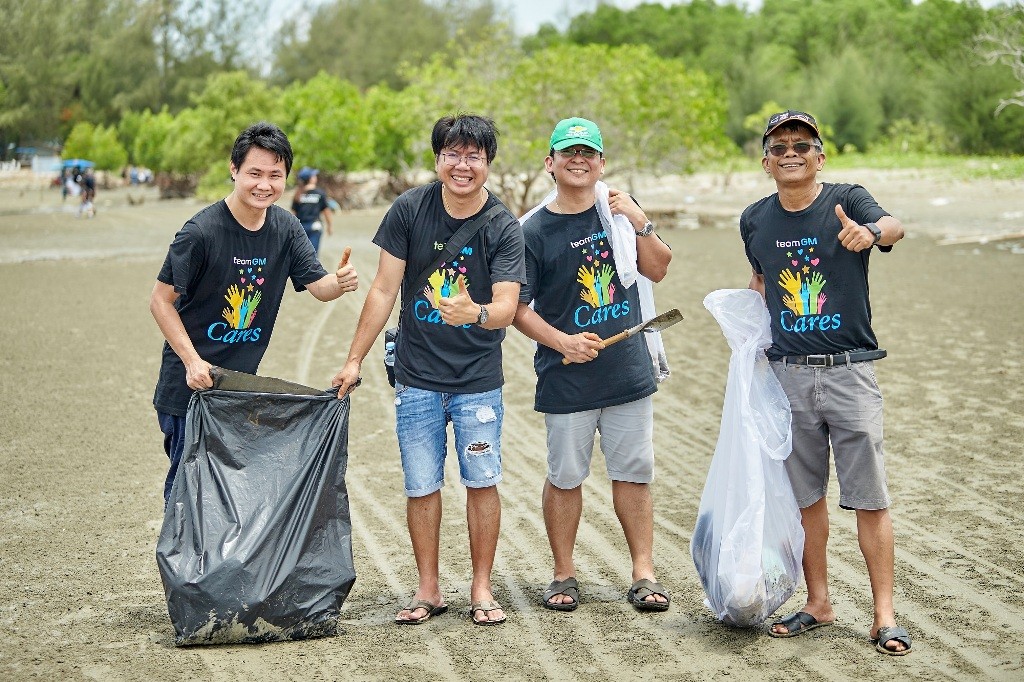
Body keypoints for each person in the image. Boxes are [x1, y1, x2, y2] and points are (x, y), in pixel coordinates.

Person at [331, 114, 524, 627]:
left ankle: (481, 588)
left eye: (474, 156)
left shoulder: (503, 225)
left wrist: (476, 314)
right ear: (438, 159)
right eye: (453, 155)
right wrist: (354, 360)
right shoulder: (409, 210)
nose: (463, 166)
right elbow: (382, 289)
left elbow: (507, 304)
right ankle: (428, 588)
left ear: (488, 163)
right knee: (421, 484)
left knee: (482, 481)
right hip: (416, 376)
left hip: (478, 380)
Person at [740, 110, 911, 655]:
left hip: (850, 372)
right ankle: (819, 602)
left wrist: (870, 233)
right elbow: (761, 282)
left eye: (802, 144)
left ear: (820, 156)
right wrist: (749, 344)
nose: (791, 152)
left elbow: (894, 226)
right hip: (789, 375)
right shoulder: (754, 219)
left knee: (869, 498)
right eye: (780, 145)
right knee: (805, 498)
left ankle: (884, 615)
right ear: (766, 161)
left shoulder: (848, 198)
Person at [512, 117, 674, 613]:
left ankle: (643, 573)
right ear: (550, 163)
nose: (578, 160)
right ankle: (564, 574)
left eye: (588, 152)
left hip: (627, 370)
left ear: (602, 162)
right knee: (565, 475)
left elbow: (659, 268)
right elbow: (517, 307)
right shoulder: (532, 230)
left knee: (633, 473)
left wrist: (639, 220)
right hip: (565, 375)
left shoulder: (619, 215)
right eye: (567, 152)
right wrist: (562, 341)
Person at [150, 121, 358, 505]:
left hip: (241, 389)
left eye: (275, 175)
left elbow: (319, 289)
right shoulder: (200, 232)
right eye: (255, 173)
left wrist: (339, 281)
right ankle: (179, 566)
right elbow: (160, 301)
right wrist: (193, 362)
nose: (265, 185)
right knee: (188, 492)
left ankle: (220, 567)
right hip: (191, 389)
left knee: (229, 494)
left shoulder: (286, 227)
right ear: (234, 170)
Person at [291, 166, 333, 254]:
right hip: (315, 226)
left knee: (300, 254)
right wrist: (329, 226)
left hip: (300, 227)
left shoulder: (298, 194)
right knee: (313, 254)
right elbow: (326, 211)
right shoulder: (320, 193)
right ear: (311, 179)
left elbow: (293, 213)